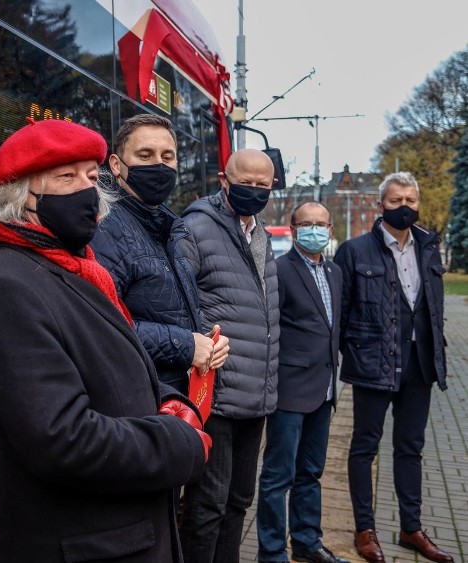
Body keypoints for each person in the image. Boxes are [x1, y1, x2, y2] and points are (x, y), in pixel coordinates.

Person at [0, 117, 212, 562]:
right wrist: (177, 444)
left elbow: (117, 367)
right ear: (19, 195)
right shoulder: (7, 287)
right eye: (65, 177)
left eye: (93, 177)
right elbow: (62, 440)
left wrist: (173, 402)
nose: (86, 190)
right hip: (82, 546)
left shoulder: (79, 270)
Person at [335, 172, 451, 563]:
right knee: (364, 447)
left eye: (411, 200)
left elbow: (433, 310)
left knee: (411, 448)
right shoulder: (354, 251)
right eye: (396, 200)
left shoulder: (429, 248)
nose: (405, 206)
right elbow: (341, 314)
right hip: (374, 364)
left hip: (419, 365)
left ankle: (411, 528)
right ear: (380, 205)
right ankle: (365, 529)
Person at [176, 148, 281, 563]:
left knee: (239, 499)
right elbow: (179, 304)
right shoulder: (196, 228)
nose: (253, 190)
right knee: (207, 504)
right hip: (215, 395)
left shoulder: (261, 235)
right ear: (224, 179)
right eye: (244, 182)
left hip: (254, 395)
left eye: (262, 184)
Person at [91, 113, 229, 398]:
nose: (159, 164)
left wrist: (206, 340)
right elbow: (101, 326)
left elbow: (169, 310)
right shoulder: (106, 229)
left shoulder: (166, 226)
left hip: (172, 397)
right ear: (116, 165)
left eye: (168, 156)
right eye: (145, 155)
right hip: (139, 400)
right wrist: (187, 345)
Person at [256, 202, 348, 563]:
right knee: (278, 478)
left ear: (330, 230)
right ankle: (272, 552)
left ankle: (308, 543)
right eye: (307, 224)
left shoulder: (335, 272)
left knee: (311, 472)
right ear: (293, 230)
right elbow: (270, 332)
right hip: (290, 392)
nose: (316, 229)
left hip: (324, 391)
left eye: (322, 224)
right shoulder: (279, 271)